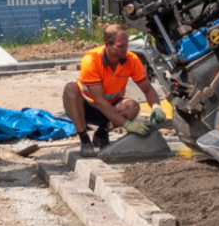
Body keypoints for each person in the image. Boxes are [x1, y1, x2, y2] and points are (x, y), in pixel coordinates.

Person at [63, 24, 161, 157]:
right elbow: (98, 101)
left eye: (126, 44)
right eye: (120, 46)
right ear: (107, 44)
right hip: (85, 108)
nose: (125, 49)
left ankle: (102, 133)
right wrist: (127, 125)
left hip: (110, 107)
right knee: (70, 89)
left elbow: (147, 89)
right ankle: (85, 139)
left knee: (132, 107)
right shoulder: (91, 60)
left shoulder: (131, 59)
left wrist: (156, 107)